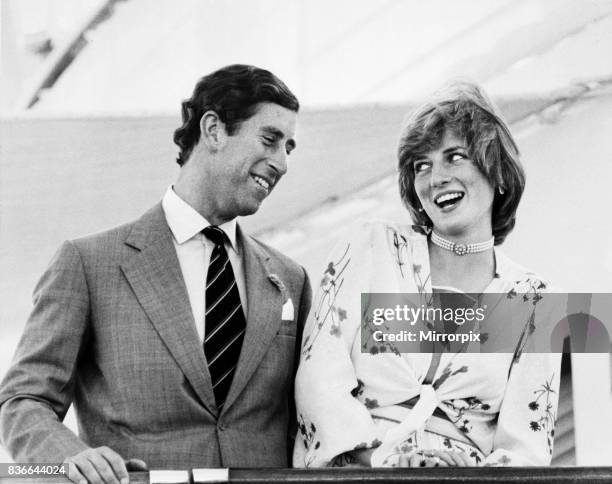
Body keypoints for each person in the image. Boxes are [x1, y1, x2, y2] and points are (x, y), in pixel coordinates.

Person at [0, 64, 312, 483]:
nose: (282, 163)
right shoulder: (89, 264)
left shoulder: (291, 280)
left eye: (289, 147)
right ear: (214, 129)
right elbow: (24, 399)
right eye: (270, 139)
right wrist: (68, 458)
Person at [293, 81, 561, 468]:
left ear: (498, 172)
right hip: (360, 477)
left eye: (454, 157)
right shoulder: (371, 248)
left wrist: (466, 476)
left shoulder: (534, 301)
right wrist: (384, 461)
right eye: (422, 165)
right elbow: (319, 379)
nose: (436, 178)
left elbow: (526, 450)